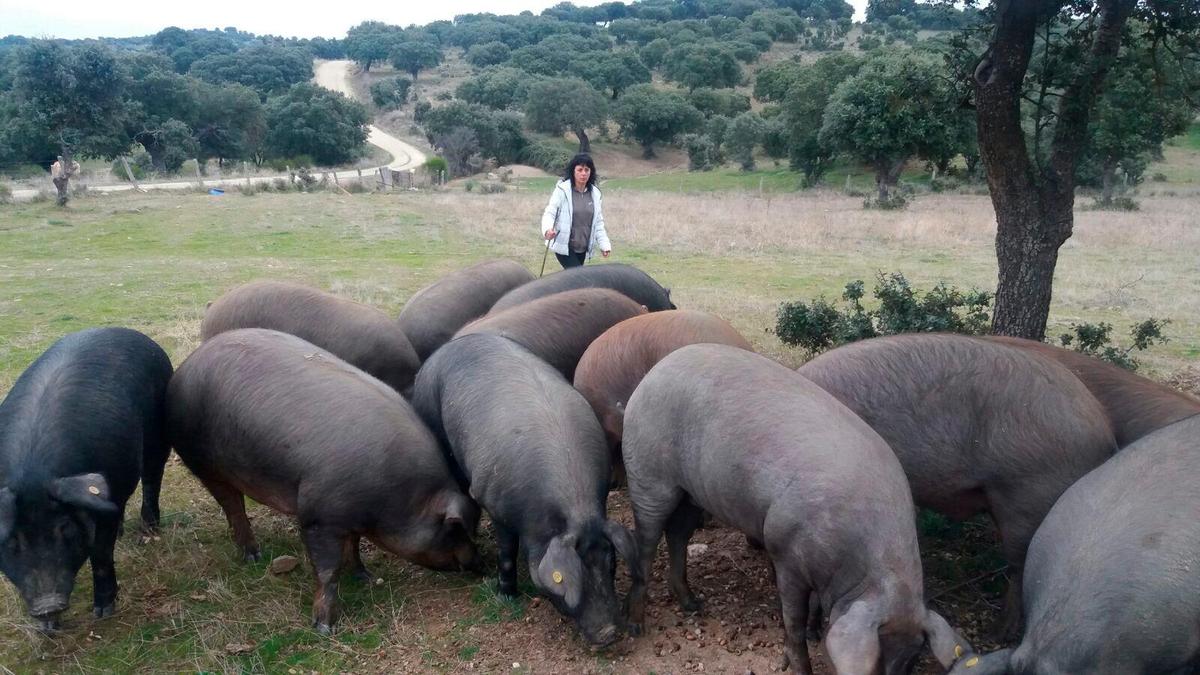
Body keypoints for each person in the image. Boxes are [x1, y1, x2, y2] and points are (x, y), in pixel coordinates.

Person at [541, 154, 611, 269]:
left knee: (574, 281)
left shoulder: (595, 194)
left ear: (591, 172)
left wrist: (604, 245)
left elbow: (598, 223)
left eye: (586, 170)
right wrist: (547, 230)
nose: (583, 173)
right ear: (573, 171)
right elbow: (550, 212)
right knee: (581, 278)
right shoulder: (562, 190)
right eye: (580, 170)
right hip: (564, 246)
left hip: (582, 247)